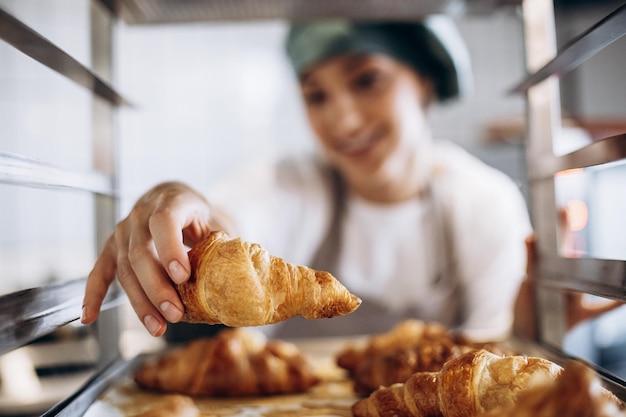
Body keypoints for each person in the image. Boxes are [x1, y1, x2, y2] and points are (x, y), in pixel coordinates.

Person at [81, 16, 534, 342]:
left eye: (367, 80)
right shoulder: (296, 185)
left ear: (424, 79)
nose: (345, 121)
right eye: (316, 96)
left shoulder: (484, 202)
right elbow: (223, 224)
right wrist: (179, 202)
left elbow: (485, 358)